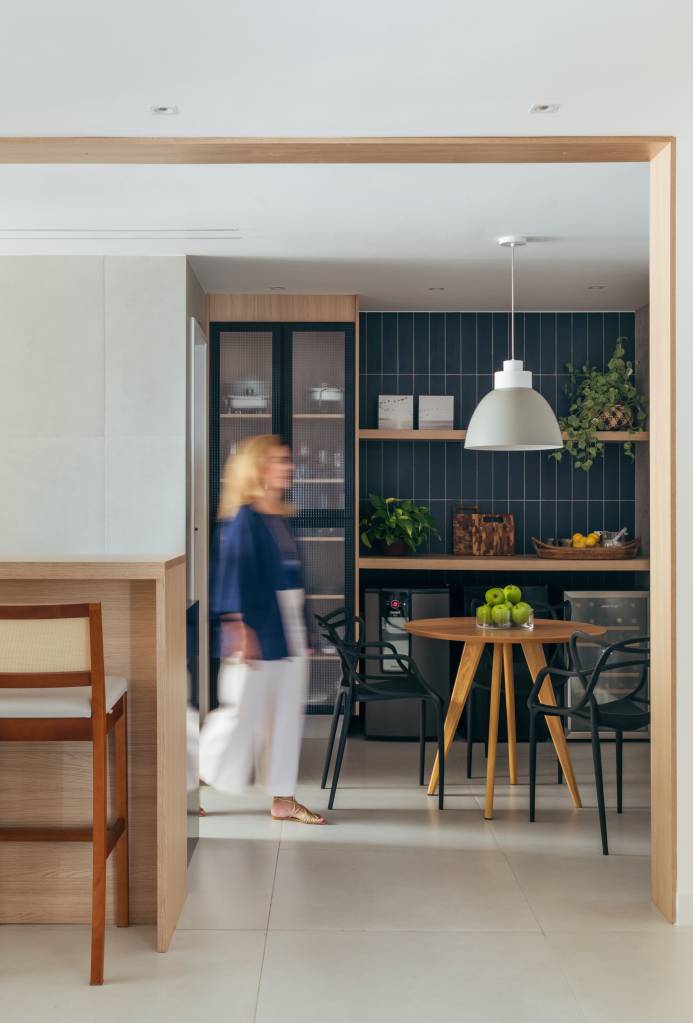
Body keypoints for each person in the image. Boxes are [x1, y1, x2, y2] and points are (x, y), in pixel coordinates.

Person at [200, 434, 326, 825]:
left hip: (286, 624)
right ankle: (188, 782)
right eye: (278, 460)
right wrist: (240, 628)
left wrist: (302, 630)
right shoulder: (244, 518)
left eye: (287, 460)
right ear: (257, 469)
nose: (287, 466)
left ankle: (284, 799)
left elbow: (292, 580)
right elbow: (231, 574)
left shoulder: (279, 518)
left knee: (287, 716)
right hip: (256, 625)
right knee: (240, 713)